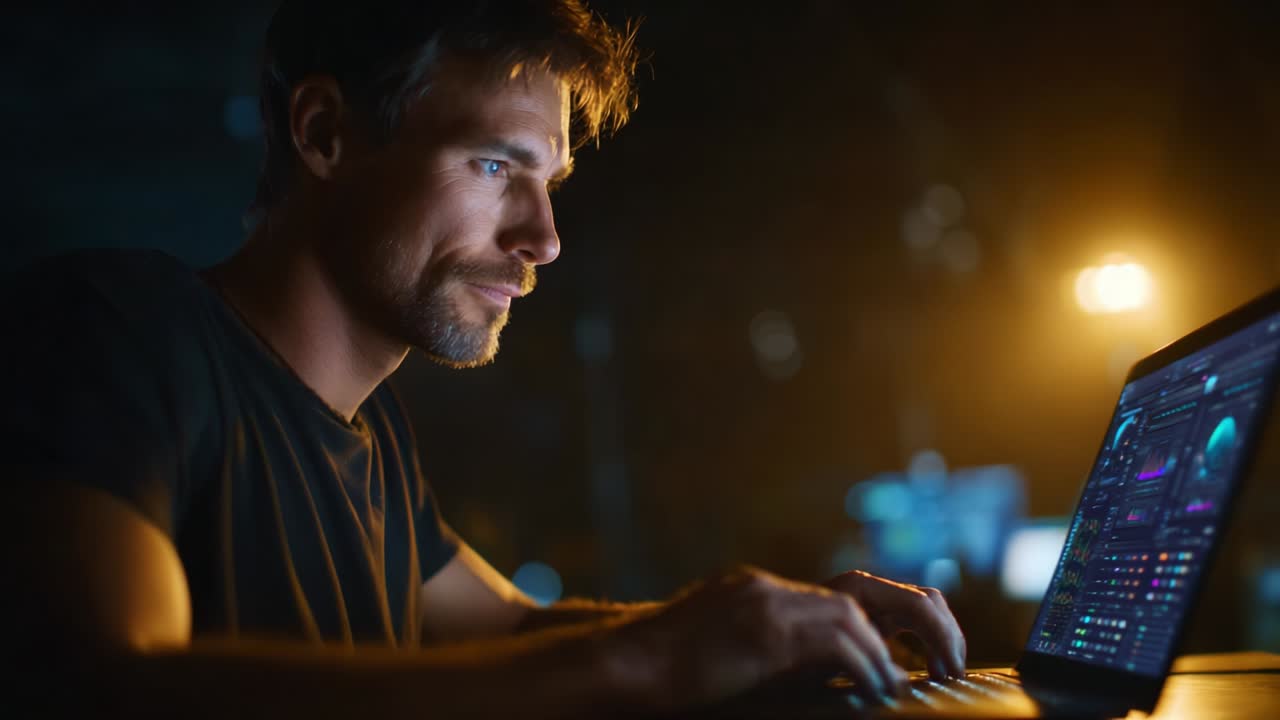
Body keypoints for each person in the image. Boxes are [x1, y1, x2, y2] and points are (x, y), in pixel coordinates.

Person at [6, 1, 966, 716]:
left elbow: (507, 629)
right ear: (325, 133)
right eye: (494, 166)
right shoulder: (119, 325)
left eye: (549, 182)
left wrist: (770, 630)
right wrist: (650, 662)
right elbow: (109, 681)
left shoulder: (372, 432)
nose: (544, 237)